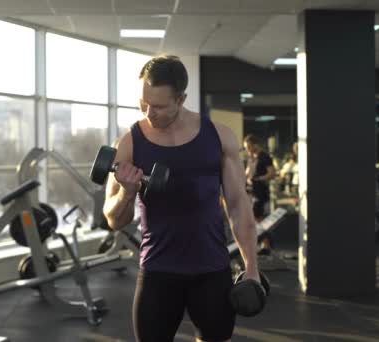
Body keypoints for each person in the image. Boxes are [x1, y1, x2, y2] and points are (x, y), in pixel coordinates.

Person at [103, 55, 260, 342]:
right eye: (143, 103)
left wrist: (251, 268)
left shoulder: (219, 136)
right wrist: (127, 191)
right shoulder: (129, 142)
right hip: (157, 272)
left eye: (160, 106)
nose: (149, 112)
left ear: (182, 98)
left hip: (212, 270)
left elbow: (238, 207)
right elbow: (113, 219)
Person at [243, 134, 275, 222]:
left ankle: (261, 235)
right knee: (250, 217)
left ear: (255, 145)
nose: (247, 149)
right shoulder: (250, 158)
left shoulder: (264, 157)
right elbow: (247, 173)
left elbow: (272, 173)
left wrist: (259, 179)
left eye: (249, 147)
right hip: (250, 192)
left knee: (257, 217)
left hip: (260, 192)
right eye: (246, 147)